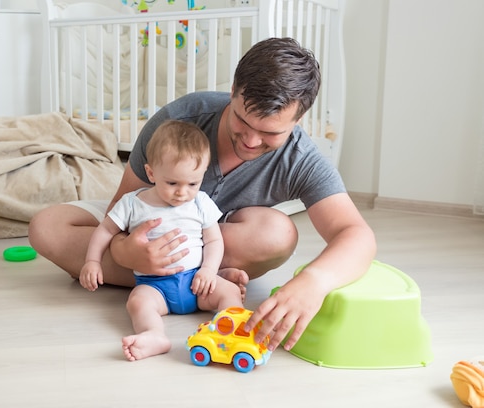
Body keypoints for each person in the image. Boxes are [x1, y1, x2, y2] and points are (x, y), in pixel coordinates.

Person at [28, 37, 376, 353]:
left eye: (269, 132)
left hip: (217, 239)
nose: (251, 142)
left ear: (298, 120)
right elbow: (125, 207)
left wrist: (313, 282)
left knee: (279, 233)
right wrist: (126, 251)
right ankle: (189, 280)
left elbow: (356, 235)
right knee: (45, 227)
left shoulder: (300, 158)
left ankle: (193, 276)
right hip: (151, 224)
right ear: (234, 90)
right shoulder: (180, 120)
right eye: (243, 121)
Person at [80, 120, 243, 361]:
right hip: (155, 286)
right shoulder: (133, 203)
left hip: (196, 282)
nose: (182, 192)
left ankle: (231, 327)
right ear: (151, 172)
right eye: (172, 183)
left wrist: (209, 271)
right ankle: (154, 334)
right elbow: (105, 230)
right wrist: (92, 261)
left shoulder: (200, 202)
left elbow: (214, 241)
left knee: (228, 290)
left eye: (192, 183)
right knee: (137, 302)